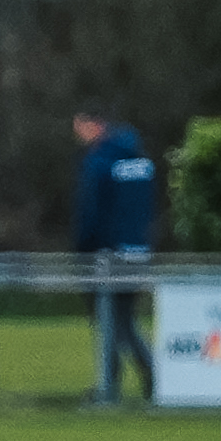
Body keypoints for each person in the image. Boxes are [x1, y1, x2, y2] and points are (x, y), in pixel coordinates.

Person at [72, 109, 157, 404]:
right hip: (138, 252)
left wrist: (83, 250)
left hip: (106, 255)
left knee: (108, 321)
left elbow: (92, 213)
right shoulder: (141, 161)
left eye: (80, 127)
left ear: (95, 125)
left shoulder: (100, 161)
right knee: (124, 320)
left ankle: (111, 386)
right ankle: (149, 376)